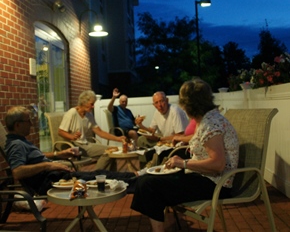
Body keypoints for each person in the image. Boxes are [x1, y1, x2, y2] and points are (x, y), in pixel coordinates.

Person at [131, 79, 239, 232]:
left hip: (215, 184)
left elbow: (217, 165)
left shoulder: (211, 124)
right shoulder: (207, 119)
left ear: (189, 104)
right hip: (203, 176)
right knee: (148, 179)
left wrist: (183, 163)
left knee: (149, 185)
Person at [4, 106, 136, 196]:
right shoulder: (16, 144)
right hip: (52, 182)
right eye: (28, 121)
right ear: (18, 125)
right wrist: (48, 165)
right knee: (100, 179)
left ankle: (136, 175)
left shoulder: (20, 141)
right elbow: (17, 172)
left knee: (100, 173)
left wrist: (58, 154)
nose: (31, 124)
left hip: (57, 176)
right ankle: (137, 182)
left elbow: (36, 157)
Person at [58, 90, 127, 170]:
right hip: (74, 146)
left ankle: (109, 176)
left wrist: (118, 138)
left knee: (112, 150)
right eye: (92, 104)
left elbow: (100, 132)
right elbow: (60, 131)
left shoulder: (89, 115)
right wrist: (72, 137)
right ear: (84, 102)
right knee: (108, 152)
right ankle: (96, 175)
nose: (93, 106)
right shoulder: (72, 112)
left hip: (86, 144)